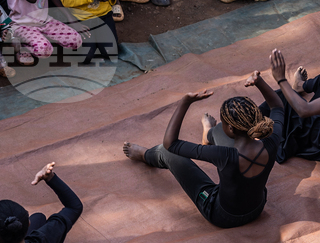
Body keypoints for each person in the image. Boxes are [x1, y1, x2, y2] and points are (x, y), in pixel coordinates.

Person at [122, 75, 285, 228]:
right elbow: (277, 106)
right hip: (257, 208)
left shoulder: (224, 155)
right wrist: (260, 82)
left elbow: (171, 144)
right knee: (219, 130)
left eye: (225, 122)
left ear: (232, 128)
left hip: (222, 215)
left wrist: (184, 103)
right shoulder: (272, 141)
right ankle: (208, 133)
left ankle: (145, 155)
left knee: (167, 152)